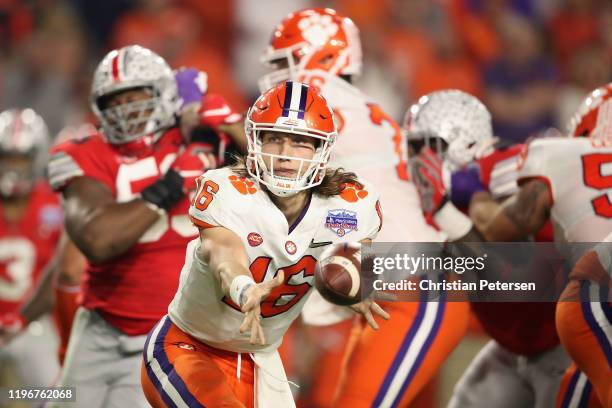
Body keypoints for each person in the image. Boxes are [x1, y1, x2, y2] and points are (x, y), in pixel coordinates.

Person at [259, 9, 468, 406]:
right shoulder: (358, 107)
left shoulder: (316, 91)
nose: (275, 76)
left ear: (320, 60)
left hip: (409, 284)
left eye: (283, 63)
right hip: (395, 282)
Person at [141, 80, 388, 407]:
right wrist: (243, 288)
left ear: (321, 149)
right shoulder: (227, 190)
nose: (286, 155)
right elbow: (222, 252)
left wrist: (355, 286)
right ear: (255, 142)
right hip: (187, 346)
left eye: (300, 142)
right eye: (275, 139)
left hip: (259, 363)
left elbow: (358, 258)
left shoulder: (350, 204)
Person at [409, 83, 612, 407]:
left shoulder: (500, 166)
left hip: (565, 340)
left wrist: (453, 201)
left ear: (455, 141)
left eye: (420, 146)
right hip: (518, 344)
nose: (414, 158)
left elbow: (512, 268)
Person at [45, 45, 223, 407]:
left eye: (136, 97)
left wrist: (203, 109)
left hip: (170, 333)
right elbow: (99, 238)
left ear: (164, 96)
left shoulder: (195, 138)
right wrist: (172, 183)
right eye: (115, 101)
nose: (125, 109)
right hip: (100, 326)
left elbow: (252, 139)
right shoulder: (81, 152)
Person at [0, 108, 63, 387]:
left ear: (35, 159)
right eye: (7, 158)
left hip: (34, 324)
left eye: (21, 159)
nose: (13, 168)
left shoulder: (54, 206)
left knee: (58, 396)